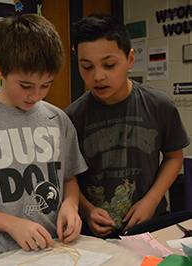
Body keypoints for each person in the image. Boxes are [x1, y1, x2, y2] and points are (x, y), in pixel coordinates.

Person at [0, 14, 87, 259]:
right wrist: (11, 224)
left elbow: (69, 180)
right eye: (26, 85)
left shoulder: (59, 120)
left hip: (56, 249)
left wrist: (70, 206)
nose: (36, 95)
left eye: (46, 85)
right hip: (1, 254)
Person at [64, 14, 190, 238]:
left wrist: (151, 201)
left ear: (130, 59)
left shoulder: (159, 104)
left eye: (109, 65)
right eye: (87, 67)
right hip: (94, 236)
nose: (98, 76)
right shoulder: (72, 117)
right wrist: (86, 210)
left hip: (150, 225)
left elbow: (174, 157)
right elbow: (68, 178)